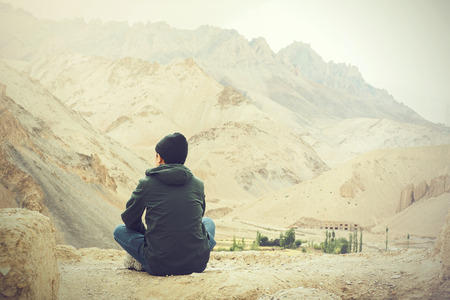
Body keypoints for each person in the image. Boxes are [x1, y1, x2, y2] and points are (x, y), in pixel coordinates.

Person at [113, 132, 216, 276]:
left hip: (158, 265)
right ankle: (193, 255)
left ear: (160, 158)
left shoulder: (147, 183)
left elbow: (130, 218)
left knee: (119, 230)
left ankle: (141, 259)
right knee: (208, 222)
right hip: (197, 263)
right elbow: (198, 219)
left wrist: (145, 235)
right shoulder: (198, 184)